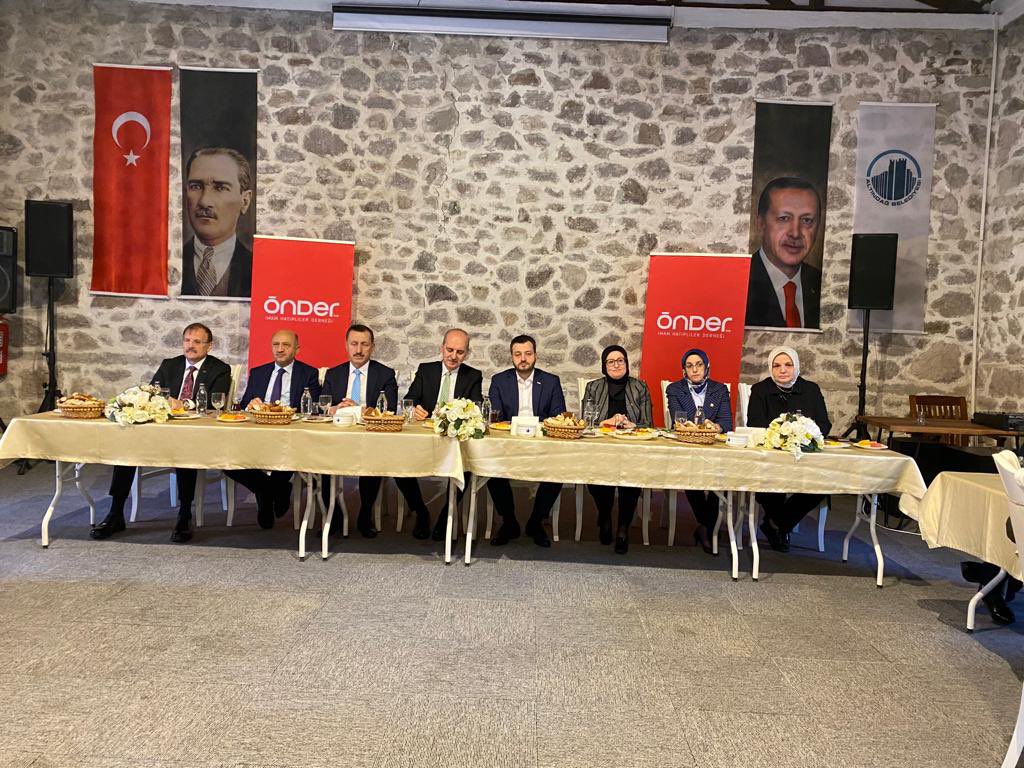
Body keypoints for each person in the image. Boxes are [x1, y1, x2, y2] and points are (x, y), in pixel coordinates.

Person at [90, 323, 232, 543]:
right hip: (162, 429)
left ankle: (184, 515)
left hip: (195, 432)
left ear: (209, 346)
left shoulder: (219, 369)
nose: (190, 346)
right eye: (187, 340)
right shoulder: (170, 365)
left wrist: (184, 404)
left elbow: (216, 401)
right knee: (127, 447)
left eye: (197, 342)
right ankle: (115, 513)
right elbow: (151, 392)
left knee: (185, 451)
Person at [224, 330, 320, 530]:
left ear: (297, 349)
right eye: (276, 344)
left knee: (289, 451)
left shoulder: (308, 373)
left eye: (286, 345)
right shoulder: (258, 372)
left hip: (290, 435)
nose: (280, 349)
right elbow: (244, 405)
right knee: (226, 457)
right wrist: (251, 404)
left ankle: (266, 494)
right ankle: (270, 490)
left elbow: (312, 410)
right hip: (257, 433)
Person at [396, 328, 482, 541]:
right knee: (398, 464)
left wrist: (463, 415)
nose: (453, 356)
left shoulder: (473, 375)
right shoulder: (426, 370)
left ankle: (446, 516)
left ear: (467, 353)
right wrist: (414, 409)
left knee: (467, 469)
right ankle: (421, 512)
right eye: (449, 350)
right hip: (425, 438)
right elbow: (409, 401)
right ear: (441, 348)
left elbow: (476, 409)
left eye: (460, 352)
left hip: (455, 441)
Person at [747, 346, 831, 552]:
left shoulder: (811, 389)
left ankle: (775, 524)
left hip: (804, 457)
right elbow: (755, 425)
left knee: (822, 484)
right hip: (772, 457)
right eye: (776, 366)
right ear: (771, 368)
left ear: (797, 366)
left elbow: (824, 424)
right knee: (770, 482)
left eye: (788, 365)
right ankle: (780, 527)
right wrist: (782, 438)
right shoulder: (760, 390)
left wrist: (803, 435)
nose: (782, 370)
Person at [486, 335, 567, 548]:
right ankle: (509, 521)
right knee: (491, 469)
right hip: (509, 444)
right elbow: (495, 418)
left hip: (541, 445)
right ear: (512, 357)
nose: (523, 359)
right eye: (518, 354)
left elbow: (558, 416)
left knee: (558, 470)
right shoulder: (499, 381)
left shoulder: (551, 381)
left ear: (535, 355)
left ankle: (536, 522)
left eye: (528, 354)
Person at [320, 323, 398, 538]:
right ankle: (333, 516)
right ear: (346, 345)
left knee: (372, 459)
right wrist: (335, 408)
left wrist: (359, 409)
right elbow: (322, 407)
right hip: (337, 437)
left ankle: (365, 514)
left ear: (372, 347)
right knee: (321, 462)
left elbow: (389, 409)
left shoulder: (385, 374)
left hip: (369, 437)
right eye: (354, 344)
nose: (359, 350)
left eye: (364, 344)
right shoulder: (333, 374)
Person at [584, 345, 652, 554]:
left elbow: (648, 424)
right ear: (604, 365)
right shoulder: (593, 387)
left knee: (631, 479)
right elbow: (586, 422)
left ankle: (623, 527)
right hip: (601, 448)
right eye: (611, 361)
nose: (616, 365)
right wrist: (606, 422)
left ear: (626, 363)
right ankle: (605, 516)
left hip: (631, 448)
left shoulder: (640, 387)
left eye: (620, 360)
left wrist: (633, 425)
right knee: (595, 477)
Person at [665, 348, 733, 554]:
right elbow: (679, 421)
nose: (695, 369)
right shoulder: (675, 389)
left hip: (714, 448)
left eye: (699, 365)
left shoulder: (720, 389)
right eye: (689, 366)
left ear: (706, 367)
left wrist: (716, 427)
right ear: (684, 370)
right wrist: (700, 426)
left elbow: (726, 422)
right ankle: (708, 527)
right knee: (690, 474)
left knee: (721, 476)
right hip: (688, 447)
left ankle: (705, 526)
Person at [745, 177, 823, 329]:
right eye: (784, 218)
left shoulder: (825, 284)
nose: (795, 233)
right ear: (760, 223)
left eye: (807, 220)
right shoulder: (740, 282)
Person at [181, 147, 254, 298]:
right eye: (195, 187)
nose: (204, 201)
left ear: (245, 201)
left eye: (220, 188)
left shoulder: (257, 269)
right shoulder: (165, 263)